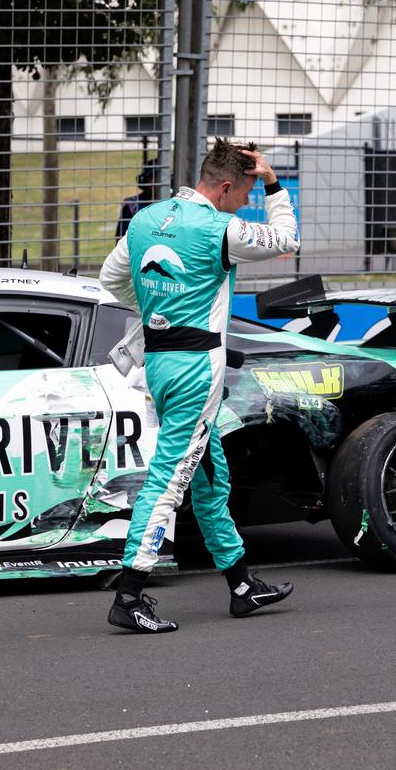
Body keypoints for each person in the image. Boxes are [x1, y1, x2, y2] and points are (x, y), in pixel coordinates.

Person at [99, 138, 300, 634]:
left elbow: (111, 278)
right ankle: (129, 594)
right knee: (170, 478)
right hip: (196, 368)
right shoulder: (222, 226)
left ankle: (241, 584)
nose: (246, 202)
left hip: (161, 361)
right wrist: (275, 185)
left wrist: (156, 306)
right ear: (227, 187)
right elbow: (286, 239)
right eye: (247, 192)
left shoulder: (147, 219)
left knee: (210, 475)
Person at [115, 158, 159, 240]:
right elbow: (120, 239)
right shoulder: (132, 205)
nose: (155, 181)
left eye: (158, 177)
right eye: (151, 177)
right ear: (144, 180)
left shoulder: (174, 203)